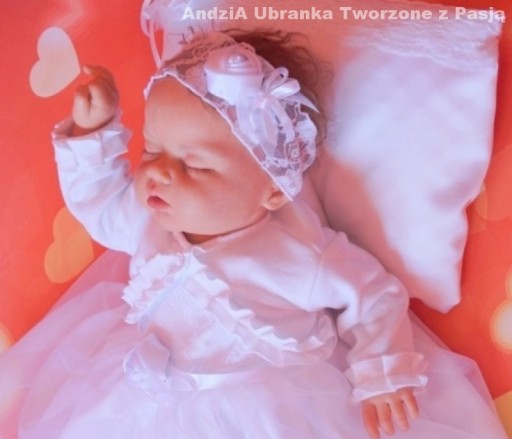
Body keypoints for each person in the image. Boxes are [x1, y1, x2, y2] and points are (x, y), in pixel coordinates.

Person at [0, 29, 508, 439]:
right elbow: (99, 205)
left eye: (195, 166)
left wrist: (382, 373)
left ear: (271, 192)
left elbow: (373, 295)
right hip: (145, 403)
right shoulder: (148, 220)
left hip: (268, 413)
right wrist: (93, 132)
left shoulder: (295, 253)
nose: (159, 173)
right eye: (152, 149)